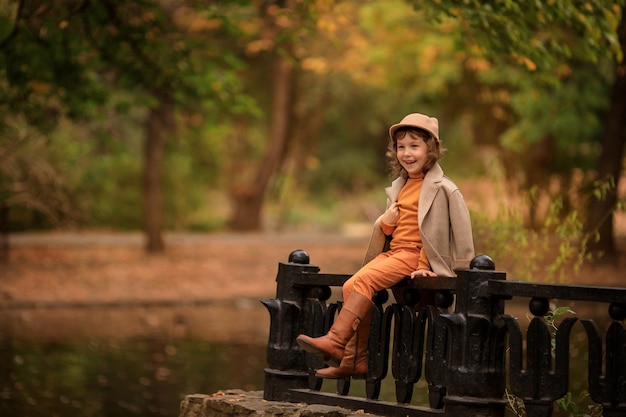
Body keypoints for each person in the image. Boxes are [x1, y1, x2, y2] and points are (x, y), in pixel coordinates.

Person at [296, 112, 475, 379]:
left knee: (362, 282)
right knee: (350, 285)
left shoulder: (445, 189)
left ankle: (336, 340)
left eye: (414, 146)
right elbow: (396, 229)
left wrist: (448, 271)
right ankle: (354, 360)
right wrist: (385, 221)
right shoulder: (399, 187)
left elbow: (459, 235)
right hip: (395, 252)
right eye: (401, 147)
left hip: (414, 256)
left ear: (431, 150)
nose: (407, 153)